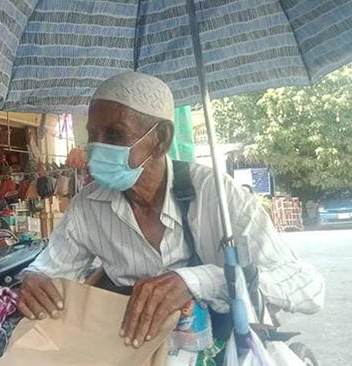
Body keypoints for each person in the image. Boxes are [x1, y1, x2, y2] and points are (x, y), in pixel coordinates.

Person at [17, 72, 324, 350]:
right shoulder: (88, 205)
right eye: (92, 135)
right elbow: (49, 268)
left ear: (160, 139)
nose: (96, 149)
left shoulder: (217, 194)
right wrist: (35, 279)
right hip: (132, 348)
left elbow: (308, 288)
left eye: (113, 135)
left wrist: (198, 281)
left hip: (220, 348)